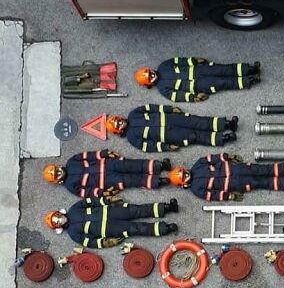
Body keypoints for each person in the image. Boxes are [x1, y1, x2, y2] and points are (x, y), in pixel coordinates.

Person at [44, 196, 179, 249]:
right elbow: (90, 242)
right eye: (57, 222)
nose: (60, 219)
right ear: (58, 228)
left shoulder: (74, 209)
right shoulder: (73, 234)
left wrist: (107, 200)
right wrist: (106, 242)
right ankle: (165, 228)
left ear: (59, 212)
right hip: (110, 228)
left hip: (111, 212)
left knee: (136, 210)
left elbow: (89, 202)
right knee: (136, 228)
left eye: (58, 216)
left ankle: (166, 208)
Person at [106, 105, 237, 153]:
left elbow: (153, 108)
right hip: (170, 135)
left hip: (171, 118)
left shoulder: (134, 113)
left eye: (118, 120)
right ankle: (224, 138)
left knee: (197, 121)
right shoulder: (132, 138)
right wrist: (166, 147)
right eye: (117, 125)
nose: (120, 122)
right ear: (118, 132)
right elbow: (149, 146)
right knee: (194, 136)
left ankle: (226, 124)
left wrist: (169, 109)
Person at [42, 151, 170, 198]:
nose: (57, 172)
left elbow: (88, 155)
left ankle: (159, 166)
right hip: (108, 181)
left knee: (133, 164)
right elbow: (86, 193)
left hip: (109, 164)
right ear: (56, 181)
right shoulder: (70, 186)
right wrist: (101, 193)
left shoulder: (71, 161)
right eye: (55, 175)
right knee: (132, 180)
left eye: (55, 169)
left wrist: (103, 154)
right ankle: (159, 181)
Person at [168, 154, 284, 200]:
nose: (186, 175)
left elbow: (212, 158)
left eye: (184, 172)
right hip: (234, 184)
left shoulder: (198, 164)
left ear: (184, 169)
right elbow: (213, 195)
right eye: (183, 177)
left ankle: (281, 170)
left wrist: (226, 157)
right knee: (258, 182)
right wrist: (229, 196)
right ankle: (282, 182)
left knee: (258, 169)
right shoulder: (196, 190)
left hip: (234, 168)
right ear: (182, 184)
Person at [134, 57, 260, 102]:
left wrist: (193, 60)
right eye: (149, 77)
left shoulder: (163, 66)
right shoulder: (163, 89)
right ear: (148, 84)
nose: (152, 75)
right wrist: (193, 97)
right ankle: (249, 80)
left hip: (199, 70)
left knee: (223, 69)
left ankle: (249, 69)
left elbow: (179, 61)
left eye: (150, 73)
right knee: (223, 83)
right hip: (199, 85)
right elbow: (178, 96)